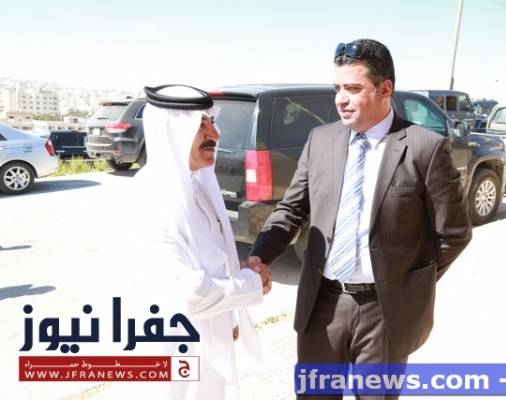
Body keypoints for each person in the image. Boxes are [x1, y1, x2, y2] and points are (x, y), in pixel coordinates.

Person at [248, 39, 472, 397]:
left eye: (353, 88)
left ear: (385, 89)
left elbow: (454, 233)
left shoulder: (424, 148)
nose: (341, 99)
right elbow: (292, 209)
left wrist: (407, 282)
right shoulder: (320, 140)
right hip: (321, 305)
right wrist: (260, 255)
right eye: (337, 88)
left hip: (385, 312)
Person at [117, 84, 271, 400]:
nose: (214, 134)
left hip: (203, 344)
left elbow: (208, 258)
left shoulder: (197, 184)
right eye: (200, 126)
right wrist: (250, 284)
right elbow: (189, 292)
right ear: (172, 131)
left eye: (212, 122)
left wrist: (227, 315)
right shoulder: (150, 198)